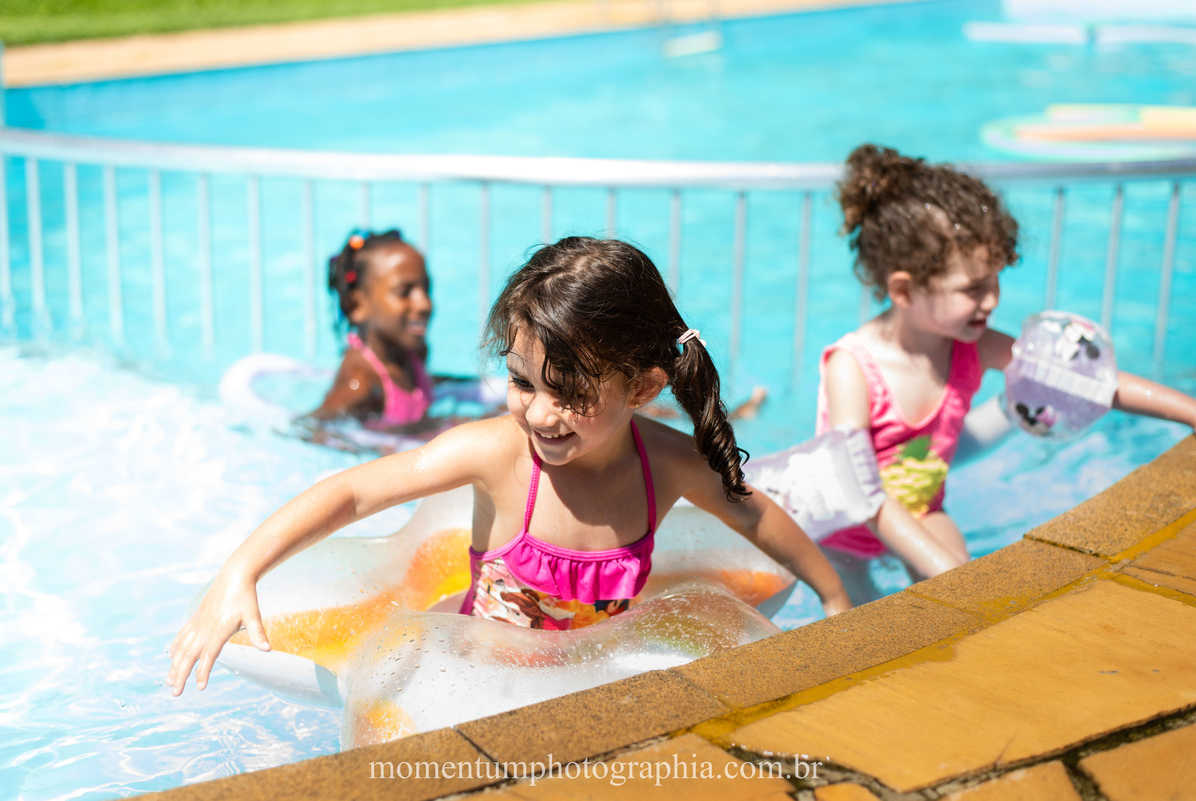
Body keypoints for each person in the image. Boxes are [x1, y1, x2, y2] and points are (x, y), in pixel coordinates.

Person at [168, 236, 851, 695]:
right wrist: (241, 570)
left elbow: (750, 509)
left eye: (572, 392)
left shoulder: (666, 463)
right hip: (476, 674)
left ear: (641, 389)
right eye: (524, 382)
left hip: (590, 672)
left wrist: (837, 597)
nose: (542, 413)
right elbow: (352, 491)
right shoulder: (496, 452)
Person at [819, 143, 1196, 604]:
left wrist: (1190, 411)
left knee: (958, 606)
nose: (992, 299)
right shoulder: (852, 368)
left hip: (922, 511)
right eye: (973, 288)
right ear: (904, 288)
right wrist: (943, 569)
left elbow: (1088, 381)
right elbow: (860, 489)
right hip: (845, 528)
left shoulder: (971, 347)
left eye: (995, 279)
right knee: (858, 629)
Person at [306, 229, 437, 430]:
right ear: (357, 306)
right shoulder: (362, 382)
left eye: (426, 288)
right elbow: (309, 427)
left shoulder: (414, 353)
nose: (424, 304)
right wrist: (446, 425)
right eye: (404, 292)